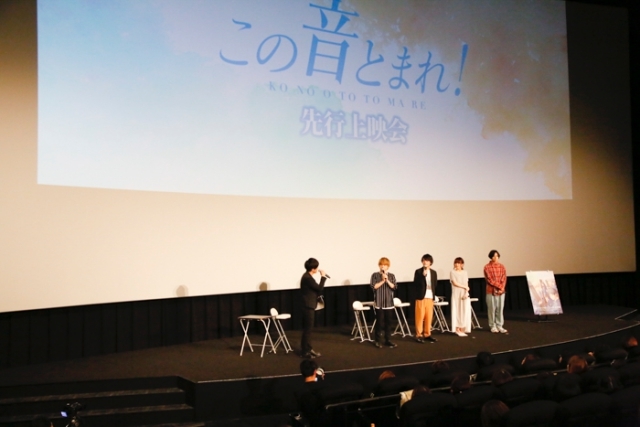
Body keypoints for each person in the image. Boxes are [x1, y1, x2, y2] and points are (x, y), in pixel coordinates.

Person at [300, 258, 328, 358]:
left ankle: (308, 349)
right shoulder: (307, 278)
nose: (317, 268)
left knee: (309, 329)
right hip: (308, 305)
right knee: (308, 330)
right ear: (313, 268)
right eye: (316, 267)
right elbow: (319, 288)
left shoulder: (308, 277)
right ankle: (305, 352)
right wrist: (323, 277)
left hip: (309, 305)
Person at [370, 257, 397, 348]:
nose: (383, 266)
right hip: (379, 303)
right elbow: (374, 286)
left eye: (385, 265)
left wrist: (387, 280)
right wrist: (382, 280)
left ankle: (388, 340)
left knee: (388, 323)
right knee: (379, 323)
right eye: (381, 264)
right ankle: (377, 340)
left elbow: (394, 287)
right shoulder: (375, 275)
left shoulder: (392, 276)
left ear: (388, 266)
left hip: (389, 303)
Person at [411, 254, 439, 343]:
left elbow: (435, 284)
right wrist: (423, 276)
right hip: (421, 297)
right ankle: (419, 335)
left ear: (430, 262)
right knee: (420, 317)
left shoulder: (433, 272)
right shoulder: (418, 272)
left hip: (430, 297)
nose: (425, 262)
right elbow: (415, 284)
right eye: (423, 260)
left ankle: (427, 334)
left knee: (429, 317)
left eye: (426, 260)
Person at [484, 250, 507, 334]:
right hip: (491, 291)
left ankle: (499, 325)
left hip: (501, 291)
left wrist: (502, 288)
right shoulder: (487, 267)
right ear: (491, 257)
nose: (496, 258)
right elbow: (489, 279)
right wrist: (500, 286)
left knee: (500, 309)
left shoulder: (502, 266)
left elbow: (504, 277)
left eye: (497, 256)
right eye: (494, 256)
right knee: (492, 309)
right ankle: (492, 326)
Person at [450, 257, 471, 337]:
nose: (457, 264)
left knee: (464, 310)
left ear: (462, 264)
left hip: (464, 293)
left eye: (458, 263)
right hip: (456, 293)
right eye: (455, 263)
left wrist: (466, 291)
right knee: (457, 309)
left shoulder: (465, 272)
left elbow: (466, 282)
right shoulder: (452, 272)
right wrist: (465, 287)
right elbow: (454, 283)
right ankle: (457, 328)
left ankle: (462, 327)